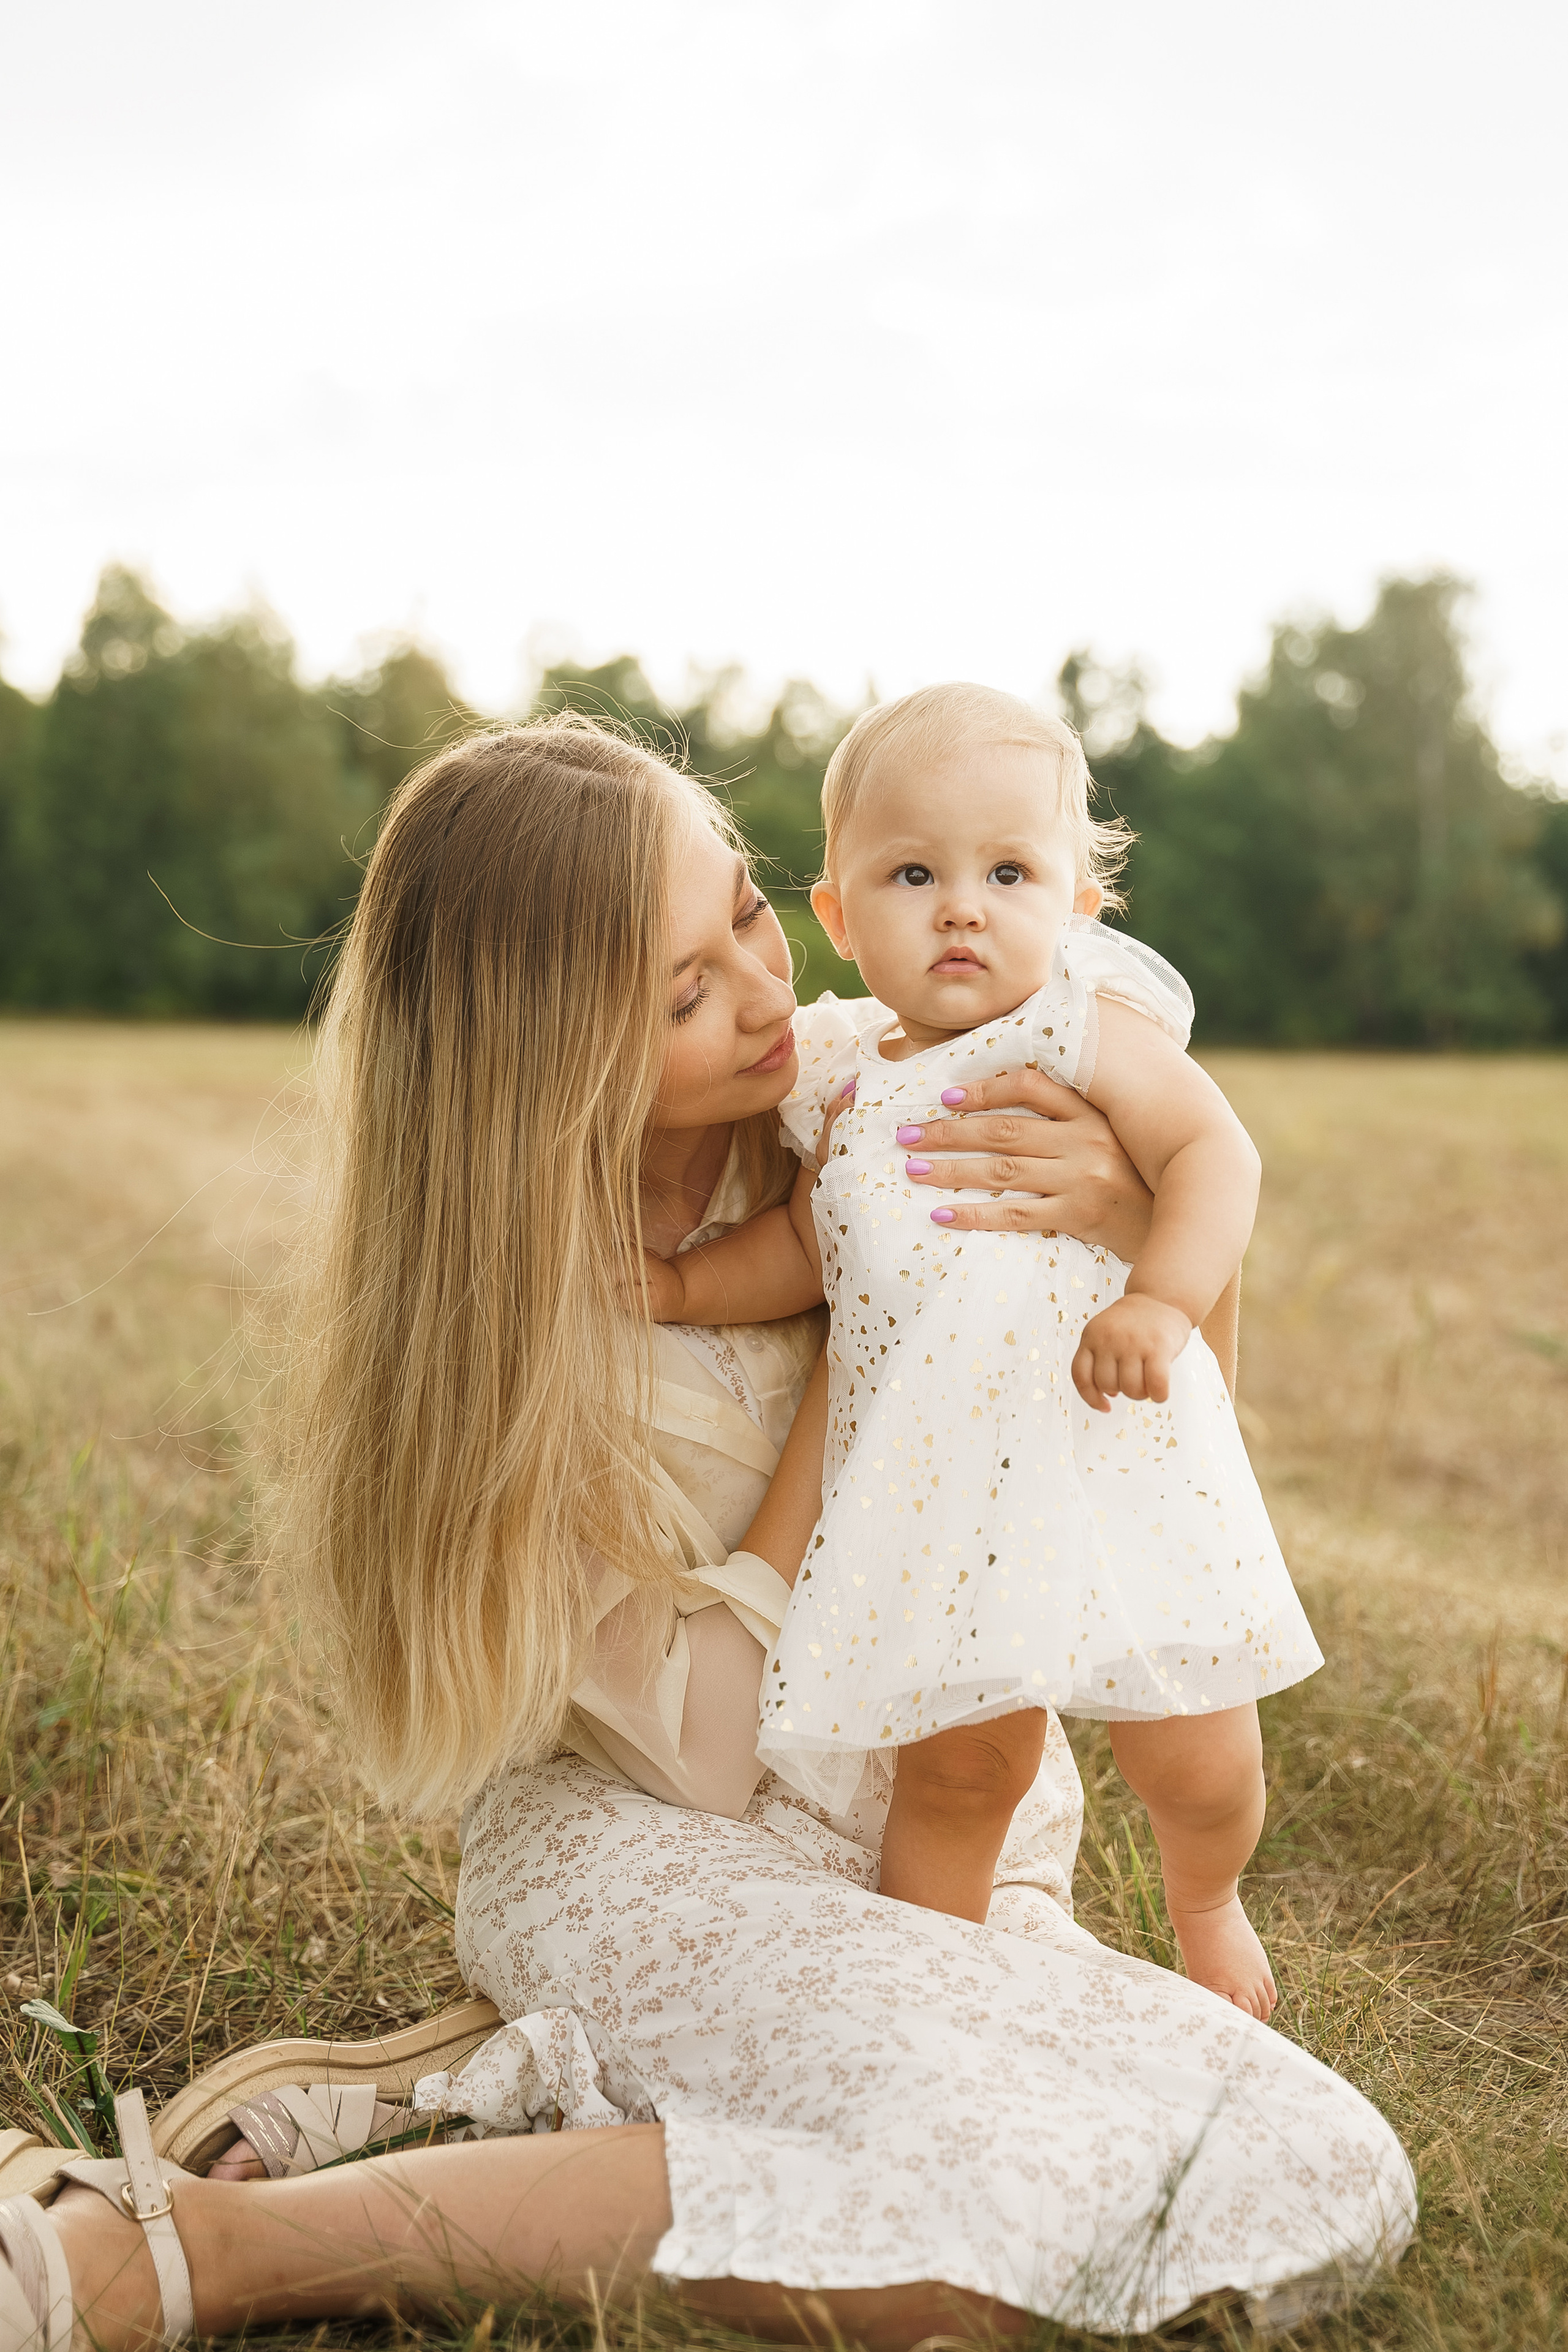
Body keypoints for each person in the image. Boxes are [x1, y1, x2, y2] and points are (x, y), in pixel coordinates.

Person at [0, 716, 1413, 2351]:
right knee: (981, 2256)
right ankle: (211, 2249)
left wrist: (1133, 1235)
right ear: (550, 1060)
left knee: (1321, 2173)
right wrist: (855, 1383)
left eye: (748, 914)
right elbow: (716, 1758)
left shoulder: (867, 1084)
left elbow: (1163, 1446)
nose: (763, 996)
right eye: (682, 991)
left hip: (949, 1854)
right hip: (668, 1858)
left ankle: (519, 2091)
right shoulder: (521, 1345)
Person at [635, 685, 1321, 2018]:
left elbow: (1212, 1156)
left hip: (1117, 1457)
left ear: (1073, 904)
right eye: (912, 872)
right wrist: (676, 1283)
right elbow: (804, 1247)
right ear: (837, 913)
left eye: (1007, 871)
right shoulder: (841, 1081)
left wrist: (1160, 1302)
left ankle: (1204, 1894)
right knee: (955, 1775)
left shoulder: (1075, 1031)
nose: (961, 906)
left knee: (1194, 1757)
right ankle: (921, 1986)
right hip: (947, 1503)